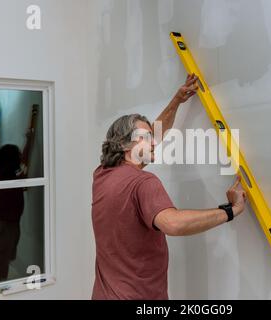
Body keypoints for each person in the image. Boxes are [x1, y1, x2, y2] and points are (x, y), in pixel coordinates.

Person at [91, 74, 247, 300]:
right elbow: (173, 224)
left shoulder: (102, 175)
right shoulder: (143, 182)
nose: (154, 141)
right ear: (125, 145)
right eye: (144, 138)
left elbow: (155, 133)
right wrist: (232, 210)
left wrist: (177, 101)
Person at [0, 130, 34, 284]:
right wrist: (28, 144)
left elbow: (23, 164)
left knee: (2, 263)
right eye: (16, 157)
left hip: (8, 225)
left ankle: (1, 289)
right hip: (2, 227)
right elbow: (22, 168)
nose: (19, 159)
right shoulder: (2, 176)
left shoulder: (8, 173)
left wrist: (28, 143)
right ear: (12, 160)